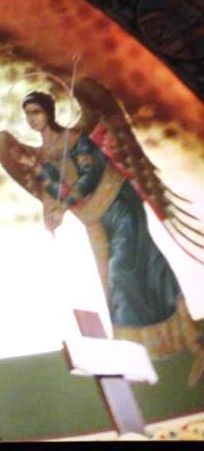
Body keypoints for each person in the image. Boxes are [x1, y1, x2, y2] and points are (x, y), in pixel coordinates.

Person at [12, 91, 204, 384]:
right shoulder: (40, 156)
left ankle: (189, 345)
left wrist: (64, 205)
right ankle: (152, 352)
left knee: (125, 267)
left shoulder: (77, 139)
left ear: (49, 112)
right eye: (28, 114)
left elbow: (90, 175)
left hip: (119, 202)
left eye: (36, 111)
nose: (32, 118)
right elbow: (57, 190)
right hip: (96, 219)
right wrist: (37, 170)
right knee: (115, 281)